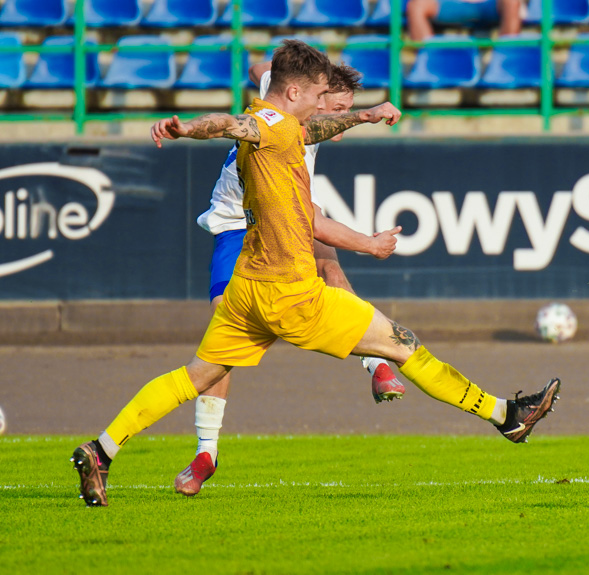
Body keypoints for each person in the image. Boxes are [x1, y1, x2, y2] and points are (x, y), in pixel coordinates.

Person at [72, 39, 560, 507]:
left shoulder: (286, 126)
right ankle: (505, 415)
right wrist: (186, 129)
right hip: (293, 296)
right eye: (317, 95)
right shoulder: (265, 124)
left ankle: (103, 448)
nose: (322, 105)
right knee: (402, 342)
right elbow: (229, 124)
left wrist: (364, 117)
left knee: (194, 375)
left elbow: (307, 130)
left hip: (248, 291)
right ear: (293, 92)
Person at [174, 61, 407, 497]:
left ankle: (376, 366)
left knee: (330, 267)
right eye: (335, 112)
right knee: (223, 326)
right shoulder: (282, 124)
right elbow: (314, 220)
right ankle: (207, 450)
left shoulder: (300, 112)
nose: (339, 127)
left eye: (346, 113)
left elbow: (262, 68)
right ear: (309, 98)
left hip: (285, 214)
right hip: (237, 222)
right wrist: (370, 243)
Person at [407, 0, 523, 42]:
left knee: (512, 2)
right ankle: (425, 59)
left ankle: (507, 56)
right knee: (416, 5)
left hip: (490, 5)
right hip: (450, 4)